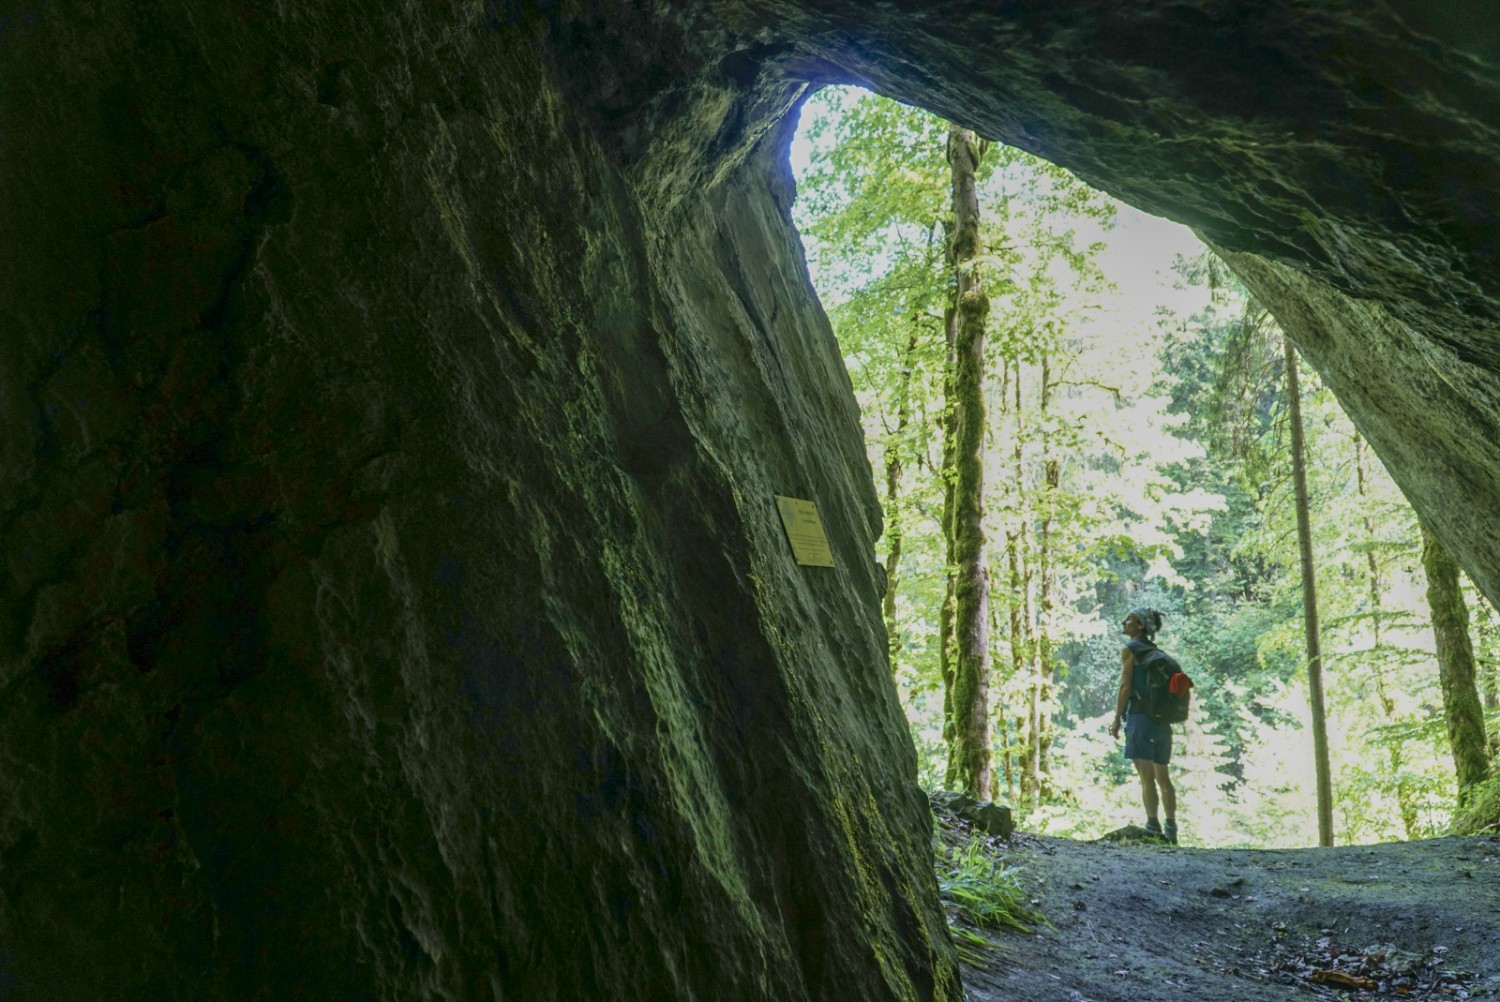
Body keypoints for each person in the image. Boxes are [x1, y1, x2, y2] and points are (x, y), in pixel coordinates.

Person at [1109, 607, 1177, 844]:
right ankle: (1171, 827)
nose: (1124, 622)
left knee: (1146, 777)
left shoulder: (1130, 650)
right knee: (1163, 777)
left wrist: (1117, 718)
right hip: (1161, 721)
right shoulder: (1156, 653)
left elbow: (1125, 687)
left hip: (1139, 717)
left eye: (1130, 619)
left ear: (1140, 626)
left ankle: (1153, 825)